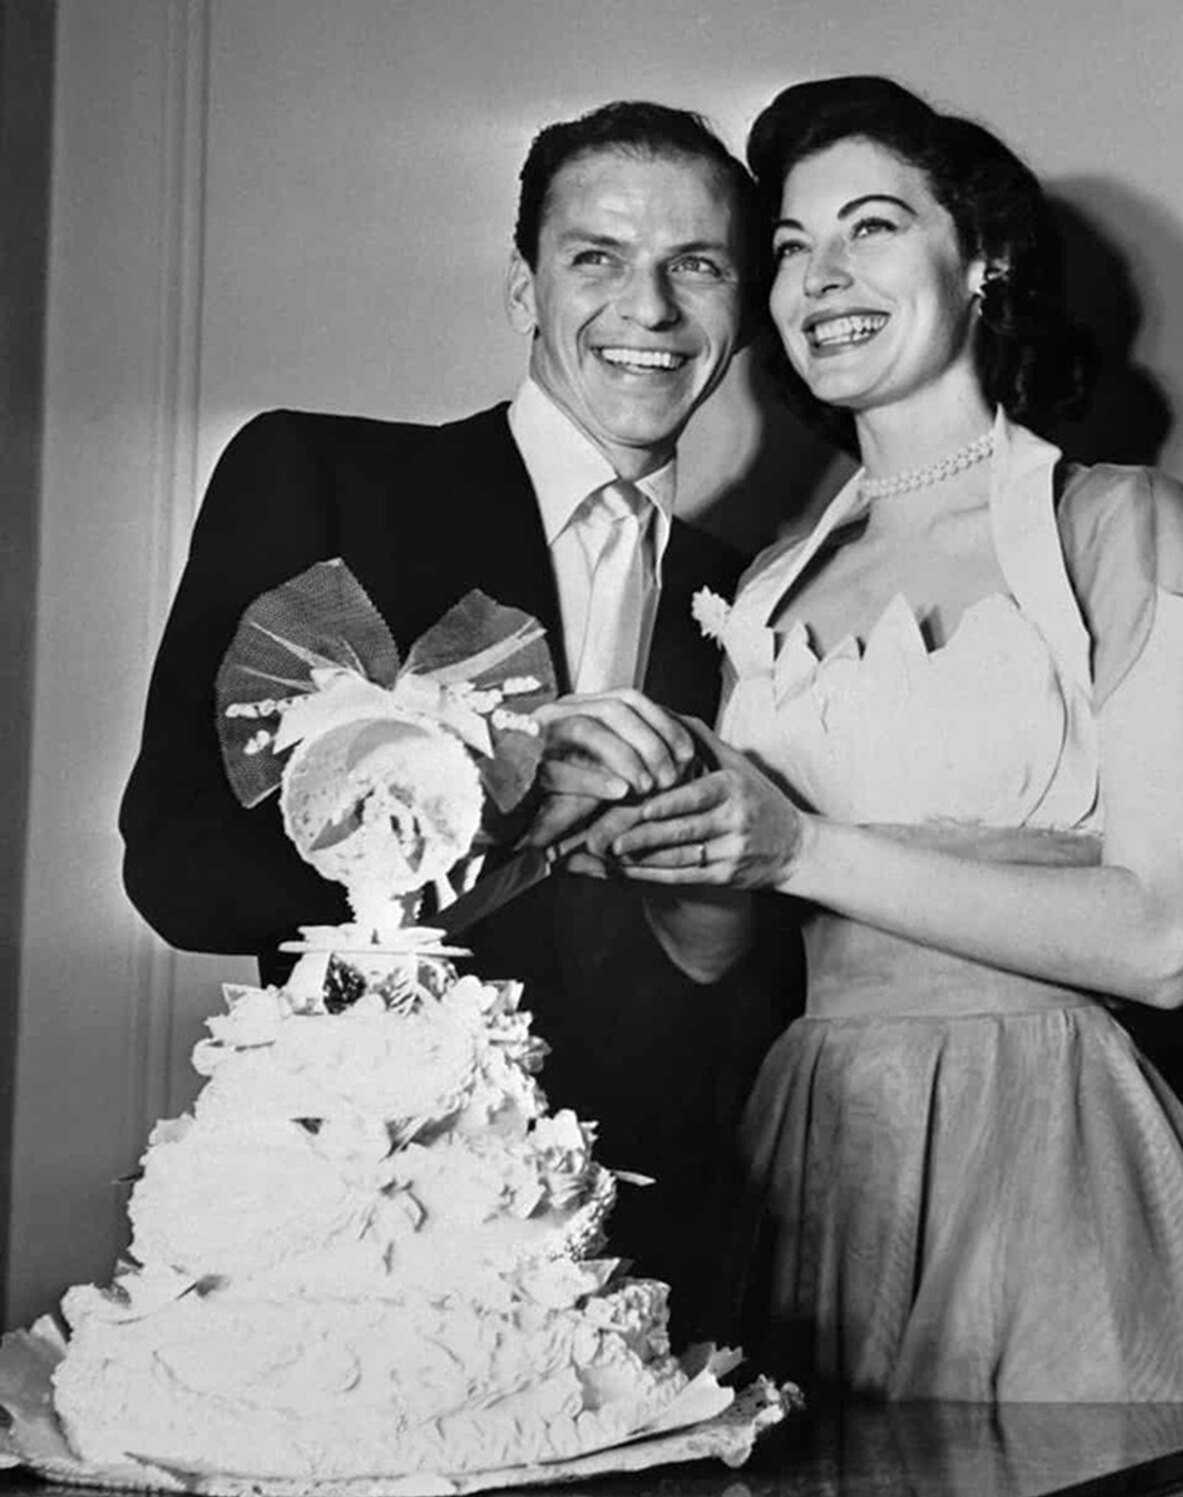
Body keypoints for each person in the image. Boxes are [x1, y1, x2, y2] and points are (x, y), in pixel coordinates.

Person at [575, 76, 1183, 1400]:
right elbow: (719, 952)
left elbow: (1162, 940)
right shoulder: (769, 583)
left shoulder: (1123, 525)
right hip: (808, 1154)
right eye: (788, 247)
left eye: (872, 226)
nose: (819, 278)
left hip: (1045, 1145)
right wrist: (658, 838)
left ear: (985, 260)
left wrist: (796, 845)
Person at [119, 100, 798, 1326]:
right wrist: (503, 798)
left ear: (742, 308)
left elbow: (749, 995)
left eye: (696, 266)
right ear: (524, 288)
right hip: (359, 1251)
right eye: (597, 258)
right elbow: (180, 875)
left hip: (654, 1271)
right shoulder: (323, 480)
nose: (649, 309)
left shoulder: (762, 601)